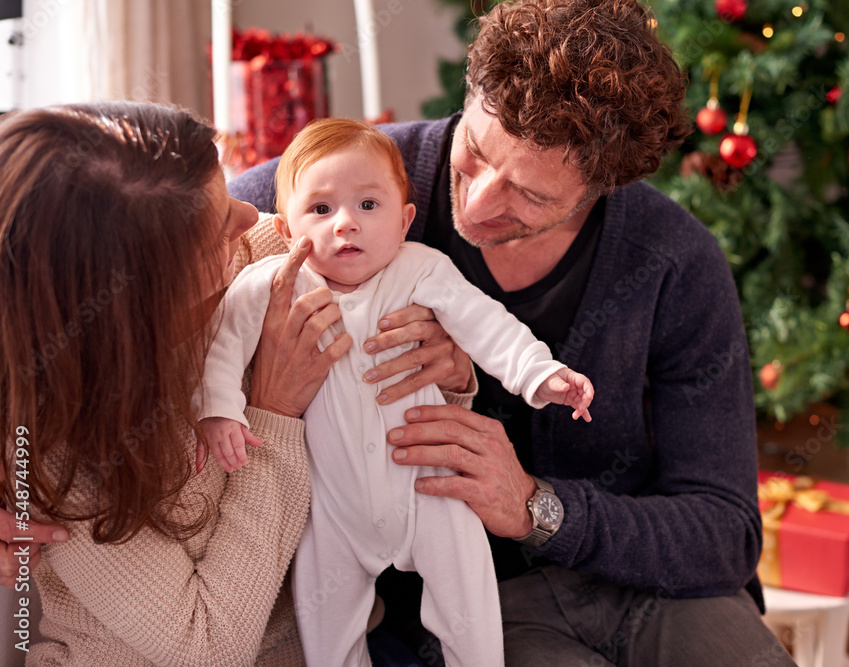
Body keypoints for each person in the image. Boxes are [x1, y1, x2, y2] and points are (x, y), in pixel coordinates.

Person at [228, 0, 797, 664]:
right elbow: (163, 254)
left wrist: (536, 506)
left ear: (603, 188)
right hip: (481, 609)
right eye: (474, 153)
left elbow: (725, 534)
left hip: (662, 590)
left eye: (530, 196)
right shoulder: (351, 184)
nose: (477, 204)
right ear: (469, 97)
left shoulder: (673, 261)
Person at [0, 102, 469, 665]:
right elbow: (209, 646)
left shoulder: (277, 255)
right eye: (220, 227)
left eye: (225, 193)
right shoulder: (60, 444)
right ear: (148, 294)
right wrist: (273, 412)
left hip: (350, 641)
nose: (251, 214)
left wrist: (451, 370)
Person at [197, 117, 593, 666]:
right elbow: (224, 347)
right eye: (320, 210)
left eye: (368, 205)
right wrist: (218, 410)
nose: (345, 226)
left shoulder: (421, 270)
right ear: (287, 232)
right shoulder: (271, 283)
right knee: (326, 626)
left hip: (428, 489)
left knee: (468, 600)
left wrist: (539, 373)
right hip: (331, 505)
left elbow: (488, 326)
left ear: (404, 220)